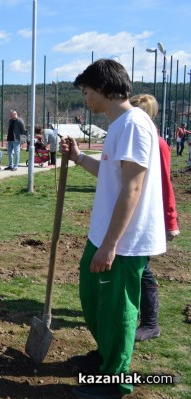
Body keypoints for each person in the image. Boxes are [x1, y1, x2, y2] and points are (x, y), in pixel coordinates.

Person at [63, 59, 166, 399]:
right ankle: (106, 356)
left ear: (104, 90)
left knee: (119, 309)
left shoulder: (135, 124)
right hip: (104, 235)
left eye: (87, 91)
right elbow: (111, 174)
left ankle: (114, 380)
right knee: (94, 298)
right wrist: (79, 157)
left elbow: (132, 188)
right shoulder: (119, 125)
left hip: (124, 241)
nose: (85, 98)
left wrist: (111, 244)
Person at [128, 94, 180, 341]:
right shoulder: (137, 139)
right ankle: (138, 314)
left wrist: (171, 220)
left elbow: (164, 183)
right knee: (137, 268)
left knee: (143, 269)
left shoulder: (157, 144)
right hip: (134, 215)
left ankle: (150, 323)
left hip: (149, 217)